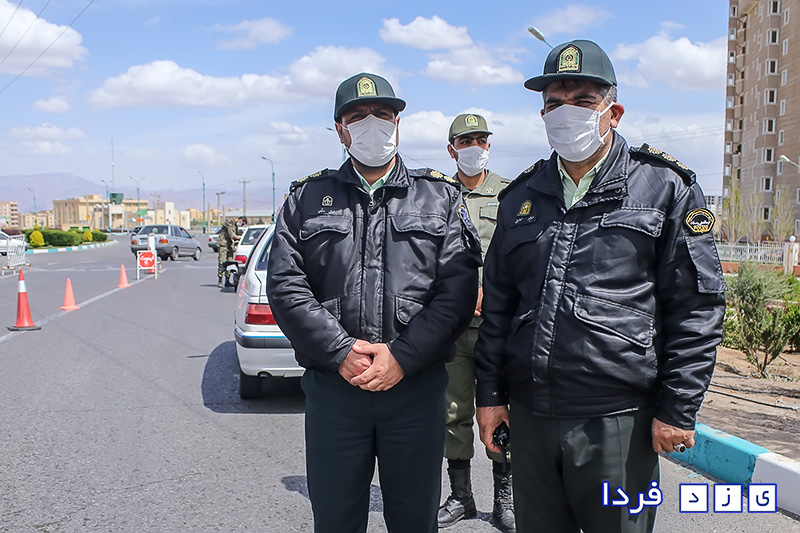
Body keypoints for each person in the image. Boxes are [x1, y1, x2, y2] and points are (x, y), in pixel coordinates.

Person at [474, 40, 726, 533]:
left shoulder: (664, 187)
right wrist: (490, 395)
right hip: (532, 417)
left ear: (614, 111)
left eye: (583, 101)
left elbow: (696, 307)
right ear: (542, 116)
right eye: (554, 104)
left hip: (619, 423)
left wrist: (678, 408)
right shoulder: (521, 197)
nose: (566, 113)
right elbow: (499, 307)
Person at [266, 72, 481, 533]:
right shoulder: (307, 198)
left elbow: (458, 291)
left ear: (398, 123)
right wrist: (339, 350)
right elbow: (285, 286)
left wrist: (403, 356)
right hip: (335, 391)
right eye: (357, 116)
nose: (372, 123)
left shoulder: (440, 195)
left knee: (414, 521)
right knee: (336, 520)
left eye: (382, 114)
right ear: (340, 130)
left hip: (416, 389)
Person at [437, 113, 514, 531]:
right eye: (466, 141)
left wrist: (492, 293)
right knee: (453, 412)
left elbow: (517, 256)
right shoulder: (438, 194)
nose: (475, 148)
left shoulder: (510, 194)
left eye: (481, 140)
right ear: (452, 150)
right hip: (453, 328)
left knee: (501, 410)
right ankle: (461, 495)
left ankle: (505, 496)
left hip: (497, 328)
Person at [217, 216, 244, 287]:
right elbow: (232, 234)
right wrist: (239, 238)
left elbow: (236, 234)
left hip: (230, 245)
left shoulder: (235, 225)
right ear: (240, 219)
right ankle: (220, 280)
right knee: (222, 262)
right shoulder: (229, 222)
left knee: (229, 262)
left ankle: (227, 280)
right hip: (223, 244)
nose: (241, 224)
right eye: (242, 223)